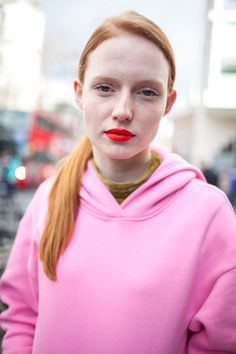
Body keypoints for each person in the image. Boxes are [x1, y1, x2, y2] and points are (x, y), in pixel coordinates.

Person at [0, 11, 236, 354]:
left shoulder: (209, 215)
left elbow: (221, 343)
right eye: (105, 88)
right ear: (80, 94)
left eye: (146, 92)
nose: (123, 110)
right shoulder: (48, 199)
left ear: (168, 103)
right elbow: (22, 319)